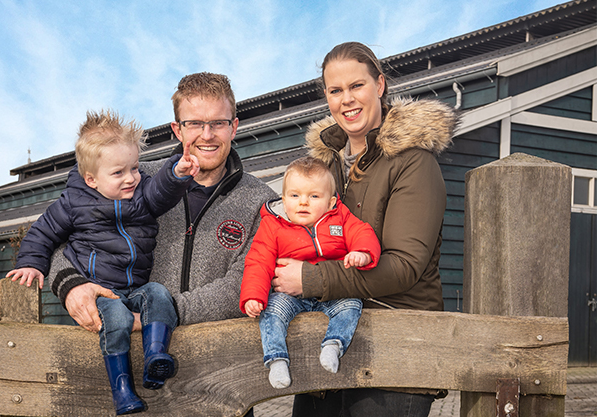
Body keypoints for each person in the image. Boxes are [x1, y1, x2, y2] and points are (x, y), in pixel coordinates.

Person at [46, 73, 277, 416]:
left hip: (223, 383)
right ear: (176, 129)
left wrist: (159, 315)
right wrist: (71, 286)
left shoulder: (262, 201)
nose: (207, 134)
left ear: (235, 126)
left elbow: (244, 284)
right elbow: (60, 241)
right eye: (194, 123)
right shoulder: (133, 177)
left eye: (218, 123)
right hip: (137, 383)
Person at [271, 42, 458, 416]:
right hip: (327, 344)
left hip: (392, 350)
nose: (347, 100)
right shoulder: (326, 172)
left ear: (380, 85)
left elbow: (405, 266)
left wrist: (310, 279)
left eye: (357, 86)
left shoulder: (413, 163)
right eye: (336, 91)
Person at [7, 109, 199, 415]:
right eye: (119, 172)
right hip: (100, 291)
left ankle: (155, 357)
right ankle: (121, 389)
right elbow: (43, 232)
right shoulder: (72, 204)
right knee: (118, 320)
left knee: (159, 294)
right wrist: (31, 262)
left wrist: (177, 173)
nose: (131, 178)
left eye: (134, 168)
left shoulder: (140, 194)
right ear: (91, 179)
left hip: (135, 288)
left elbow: (160, 191)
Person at [240, 156, 381, 389]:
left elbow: (362, 232)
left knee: (351, 305)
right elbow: (258, 261)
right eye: (295, 196)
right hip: (290, 296)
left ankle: (333, 345)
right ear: (284, 199)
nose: (303, 202)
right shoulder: (273, 225)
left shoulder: (340, 217)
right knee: (272, 311)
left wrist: (362, 253)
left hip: (332, 293)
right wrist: (253, 296)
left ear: (330, 201)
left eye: (314, 196)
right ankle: (276, 359)